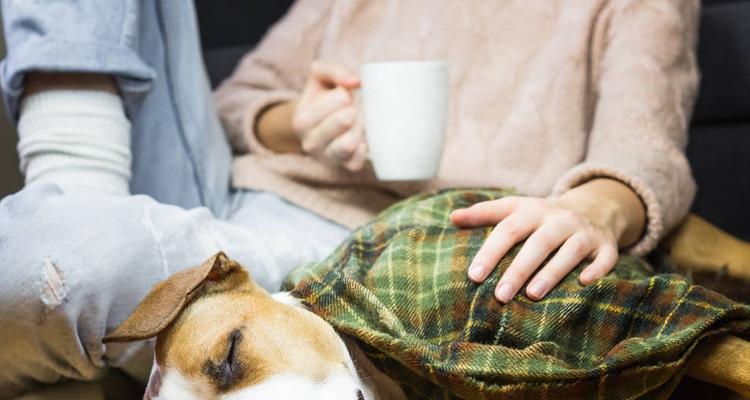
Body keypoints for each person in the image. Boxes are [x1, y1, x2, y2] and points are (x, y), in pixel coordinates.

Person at [215, 0, 699, 303]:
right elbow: (234, 99)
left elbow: (646, 152)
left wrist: (588, 211)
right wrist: (302, 122)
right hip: (280, 205)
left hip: (449, 252)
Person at [0, 2, 349, 399]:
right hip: (232, 180)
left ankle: (70, 233)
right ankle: (76, 195)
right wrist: (297, 120)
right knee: (57, 260)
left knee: (63, 262)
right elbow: (235, 100)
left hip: (331, 226)